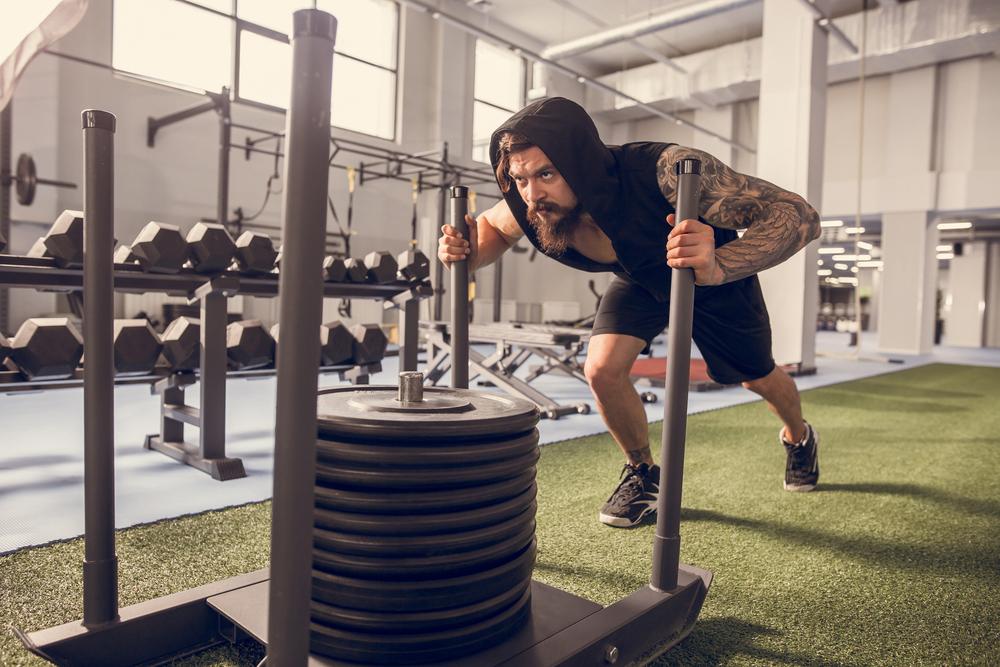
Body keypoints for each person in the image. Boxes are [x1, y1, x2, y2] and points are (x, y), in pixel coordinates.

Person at [438, 97, 821, 528]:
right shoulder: (530, 205)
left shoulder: (666, 171)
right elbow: (489, 229)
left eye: (546, 173)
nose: (533, 193)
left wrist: (721, 265)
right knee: (601, 369)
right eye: (520, 178)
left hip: (711, 276)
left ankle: (799, 436)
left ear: (579, 162)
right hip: (640, 277)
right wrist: (466, 253)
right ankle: (642, 473)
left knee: (757, 376)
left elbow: (799, 215)